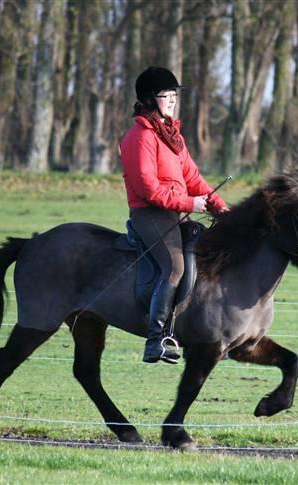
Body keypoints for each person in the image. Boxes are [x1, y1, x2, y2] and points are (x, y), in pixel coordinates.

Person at [120, 66, 228, 364]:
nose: (171, 99)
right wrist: (189, 204)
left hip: (176, 212)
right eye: (165, 95)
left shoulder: (172, 137)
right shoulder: (139, 137)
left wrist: (219, 206)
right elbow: (148, 189)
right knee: (175, 268)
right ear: (148, 99)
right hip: (150, 214)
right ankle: (156, 339)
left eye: (173, 94)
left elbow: (193, 178)